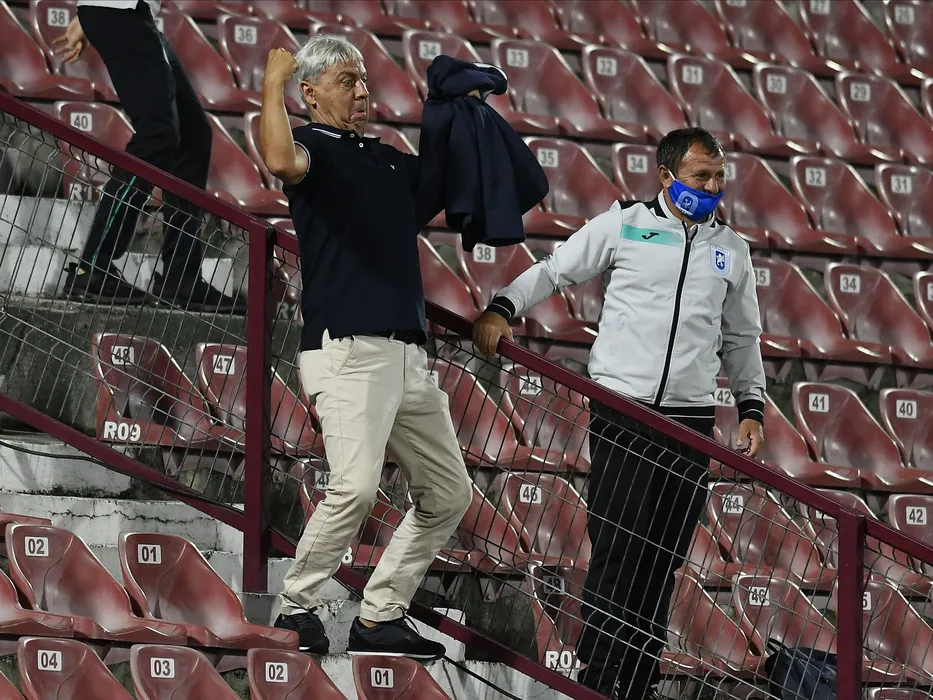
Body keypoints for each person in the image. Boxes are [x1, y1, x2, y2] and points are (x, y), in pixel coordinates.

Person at [259, 34, 540, 659]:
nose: (362, 91)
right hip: (348, 349)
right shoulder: (311, 148)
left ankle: (381, 613)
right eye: (346, 81)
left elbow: (440, 181)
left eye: (364, 79)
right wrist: (271, 85)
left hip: (410, 355)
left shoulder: (385, 160)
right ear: (310, 94)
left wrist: (455, 113)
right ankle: (296, 606)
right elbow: (278, 158)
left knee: (449, 493)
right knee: (355, 489)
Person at [473, 127, 766, 699]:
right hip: (623, 413)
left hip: (691, 424)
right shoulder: (625, 223)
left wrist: (751, 406)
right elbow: (555, 270)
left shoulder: (733, 249)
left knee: (663, 558)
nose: (712, 187)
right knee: (618, 549)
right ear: (666, 176)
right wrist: (503, 306)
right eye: (701, 176)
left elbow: (742, 337)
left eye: (719, 177)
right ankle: (600, 679)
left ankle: (638, 680)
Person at [54, 0, 243, 312]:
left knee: (194, 135)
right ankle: (94, 267)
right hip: (120, 11)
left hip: (135, 13)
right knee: (157, 135)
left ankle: (181, 278)